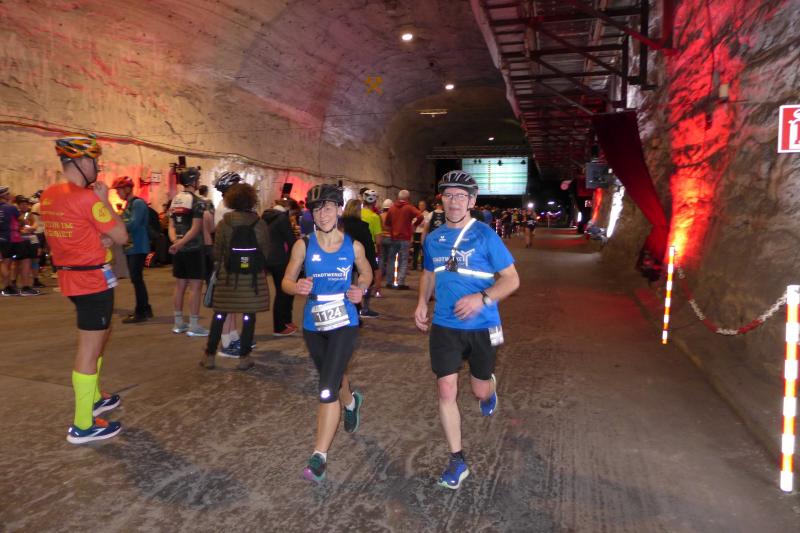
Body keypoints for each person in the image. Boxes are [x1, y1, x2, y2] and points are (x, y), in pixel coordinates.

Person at [414, 170, 519, 489]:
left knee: (479, 390)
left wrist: (481, 298)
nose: (454, 202)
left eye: (461, 196)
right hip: (445, 325)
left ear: (472, 201)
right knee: (446, 389)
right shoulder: (433, 239)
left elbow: (512, 280)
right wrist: (422, 302)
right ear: (441, 200)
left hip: (483, 326)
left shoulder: (486, 236)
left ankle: (489, 388)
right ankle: (457, 460)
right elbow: (429, 273)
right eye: (448, 195)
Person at [282, 184, 373, 483]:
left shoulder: (353, 246)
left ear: (339, 210)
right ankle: (351, 402)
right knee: (332, 376)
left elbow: (367, 272)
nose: (323, 214)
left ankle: (319, 456)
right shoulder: (304, 245)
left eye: (329, 208)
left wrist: (361, 288)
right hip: (314, 324)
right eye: (317, 209)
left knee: (325, 389)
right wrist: (296, 287)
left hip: (345, 320)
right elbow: (286, 281)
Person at [41, 134, 128, 443]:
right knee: (89, 349)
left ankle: (93, 396)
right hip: (92, 280)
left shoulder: (49, 195)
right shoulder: (87, 198)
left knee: (101, 335)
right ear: (80, 162)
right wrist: (104, 202)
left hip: (70, 278)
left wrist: (96, 238)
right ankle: (83, 424)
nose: (97, 166)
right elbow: (121, 236)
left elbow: (67, 233)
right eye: (94, 161)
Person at [200, 183, 270, 370]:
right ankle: (244, 357)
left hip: (228, 278)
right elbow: (265, 252)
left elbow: (217, 253)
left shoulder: (224, 223)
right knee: (248, 317)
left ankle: (209, 356)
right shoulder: (259, 224)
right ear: (251, 200)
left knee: (219, 315)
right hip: (252, 279)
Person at [168, 167, 209, 336]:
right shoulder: (198, 201)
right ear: (193, 181)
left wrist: (175, 242)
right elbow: (196, 228)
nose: (199, 182)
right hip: (193, 249)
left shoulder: (175, 200)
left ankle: (178, 324)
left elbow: (171, 226)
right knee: (195, 287)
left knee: (179, 286)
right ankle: (193, 326)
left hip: (178, 249)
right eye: (197, 179)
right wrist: (182, 243)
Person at [111, 177, 153, 322]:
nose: (117, 193)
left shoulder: (138, 203)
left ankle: (141, 312)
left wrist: (117, 226)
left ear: (127, 189)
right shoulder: (128, 204)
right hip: (132, 247)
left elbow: (133, 224)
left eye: (119, 190)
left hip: (139, 246)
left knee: (137, 279)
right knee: (136, 279)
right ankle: (145, 309)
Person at [262, 198, 298, 336]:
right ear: (288, 208)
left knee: (281, 291)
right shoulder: (282, 218)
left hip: (268, 258)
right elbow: (291, 240)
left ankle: (286, 321)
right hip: (280, 259)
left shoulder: (266, 216)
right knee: (283, 292)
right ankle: (279, 327)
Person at [342, 199, 377, 319]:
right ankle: (359, 311)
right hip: (358, 263)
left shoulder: (338, 225)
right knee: (357, 288)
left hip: (341, 262)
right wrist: (374, 266)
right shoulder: (362, 226)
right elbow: (369, 247)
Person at [383, 190, 421, 290]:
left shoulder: (392, 208)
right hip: (405, 238)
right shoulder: (409, 207)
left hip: (394, 238)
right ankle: (400, 282)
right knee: (403, 260)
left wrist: (393, 229)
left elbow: (387, 224)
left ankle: (389, 282)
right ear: (408, 198)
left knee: (391, 259)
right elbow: (420, 216)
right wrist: (414, 225)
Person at [359, 189, 382, 314]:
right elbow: (378, 240)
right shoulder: (374, 217)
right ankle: (365, 308)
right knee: (369, 278)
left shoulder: (357, 213)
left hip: (355, 249)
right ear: (375, 202)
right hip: (369, 250)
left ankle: (356, 306)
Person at [13, 195, 41, 295]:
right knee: (18, 262)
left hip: (31, 239)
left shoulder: (30, 214)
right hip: (20, 240)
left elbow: (35, 224)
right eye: (22, 204)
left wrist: (31, 228)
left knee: (34, 260)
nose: (24, 206)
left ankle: (35, 280)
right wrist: (21, 230)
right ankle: (14, 281)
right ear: (18, 205)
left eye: (26, 204)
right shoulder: (15, 214)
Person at [0, 186, 22, 296]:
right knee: (5, 263)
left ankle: (6, 286)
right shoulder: (11, 208)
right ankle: (6, 286)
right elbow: (21, 220)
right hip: (7, 238)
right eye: (8, 194)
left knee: (4, 263)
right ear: (4, 195)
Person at [376, 198, 393, 296]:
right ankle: (389, 280)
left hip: (382, 238)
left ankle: (380, 277)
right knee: (390, 260)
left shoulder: (380, 216)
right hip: (390, 239)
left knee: (381, 259)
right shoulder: (392, 216)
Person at [411, 200, 432, 271]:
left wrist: (418, 223)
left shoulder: (428, 214)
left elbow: (425, 224)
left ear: (425, 206)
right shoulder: (416, 213)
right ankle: (414, 265)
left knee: (423, 250)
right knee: (415, 250)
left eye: (423, 205)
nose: (421, 206)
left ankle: (423, 266)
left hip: (423, 233)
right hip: (416, 233)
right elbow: (413, 222)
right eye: (420, 205)